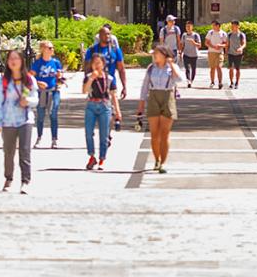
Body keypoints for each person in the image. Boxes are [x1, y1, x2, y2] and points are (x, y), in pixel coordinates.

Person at [0, 50, 39, 194]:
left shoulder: (29, 80)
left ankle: (26, 180)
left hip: (25, 120)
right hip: (8, 121)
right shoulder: (3, 81)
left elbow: (36, 99)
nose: (13, 61)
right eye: (10, 59)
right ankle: (9, 178)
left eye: (16, 58)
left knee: (25, 151)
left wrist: (28, 101)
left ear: (22, 61)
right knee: (8, 152)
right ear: (7, 62)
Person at [137, 45, 184, 173]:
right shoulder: (151, 68)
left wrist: (172, 64)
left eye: (156, 53)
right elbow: (144, 87)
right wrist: (141, 104)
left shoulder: (171, 68)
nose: (154, 56)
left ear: (164, 55)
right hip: (153, 97)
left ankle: (163, 162)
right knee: (154, 133)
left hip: (167, 96)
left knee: (164, 133)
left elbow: (179, 79)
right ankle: (156, 159)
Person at [82, 54, 122, 170]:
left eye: (99, 63)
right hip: (91, 105)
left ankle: (102, 158)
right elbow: (84, 91)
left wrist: (118, 111)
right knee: (89, 133)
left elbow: (113, 95)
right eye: (95, 63)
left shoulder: (109, 78)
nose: (97, 66)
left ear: (103, 64)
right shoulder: (88, 76)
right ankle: (91, 156)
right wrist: (91, 79)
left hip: (105, 106)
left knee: (104, 134)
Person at [30, 41, 64, 149]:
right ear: (43, 49)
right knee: (40, 116)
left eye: (52, 48)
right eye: (49, 48)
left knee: (53, 114)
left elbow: (60, 76)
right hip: (41, 93)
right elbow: (30, 77)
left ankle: (54, 139)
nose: (52, 49)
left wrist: (60, 77)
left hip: (54, 91)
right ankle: (39, 138)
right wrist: (38, 83)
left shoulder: (56, 62)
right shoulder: (38, 63)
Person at [85, 26, 127, 100]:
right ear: (100, 36)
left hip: (111, 85)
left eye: (109, 34)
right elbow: (87, 69)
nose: (108, 36)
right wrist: (87, 85)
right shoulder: (92, 50)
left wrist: (124, 87)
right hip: (95, 86)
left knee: (111, 109)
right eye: (105, 34)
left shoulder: (115, 50)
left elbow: (121, 69)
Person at [205, 21, 226, 89]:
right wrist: (213, 46)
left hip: (219, 52)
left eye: (214, 25)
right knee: (212, 68)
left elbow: (226, 44)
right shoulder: (210, 32)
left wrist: (221, 45)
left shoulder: (223, 33)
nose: (212, 27)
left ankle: (220, 82)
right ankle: (212, 82)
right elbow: (206, 42)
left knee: (219, 67)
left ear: (218, 26)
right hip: (211, 52)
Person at [180, 21, 201, 88]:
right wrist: (181, 52)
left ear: (192, 27)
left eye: (189, 26)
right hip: (186, 54)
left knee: (193, 69)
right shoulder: (184, 35)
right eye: (187, 26)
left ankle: (191, 80)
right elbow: (182, 45)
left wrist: (193, 42)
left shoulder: (195, 35)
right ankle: (188, 81)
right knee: (187, 69)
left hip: (194, 55)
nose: (188, 28)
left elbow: (199, 45)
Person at [226, 20, 247, 89]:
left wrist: (241, 48)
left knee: (237, 69)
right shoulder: (229, 34)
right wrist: (226, 53)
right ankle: (231, 82)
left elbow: (244, 44)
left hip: (238, 54)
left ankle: (237, 82)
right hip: (230, 53)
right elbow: (227, 44)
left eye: (234, 26)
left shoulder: (241, 35)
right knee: (231, 68)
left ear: (238, 26)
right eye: (232, 26)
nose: (232, 27)